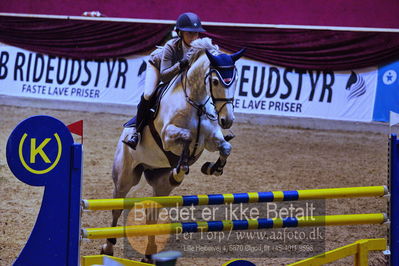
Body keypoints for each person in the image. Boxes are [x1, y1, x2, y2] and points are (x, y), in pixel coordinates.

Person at [123, 12, 206, 149]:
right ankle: (135, 132)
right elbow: (165, 76)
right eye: (189, 33)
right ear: (180, 33)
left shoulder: (200, 48)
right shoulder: (171, 46)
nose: (193, 37)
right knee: (149, 94)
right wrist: (180, 65)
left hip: (181, 75)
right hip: (157, 67)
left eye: (196, 34)